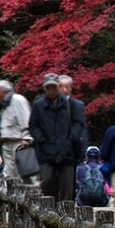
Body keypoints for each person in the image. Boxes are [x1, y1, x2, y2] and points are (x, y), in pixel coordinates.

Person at [29, 73, 86, 203]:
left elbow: (79, 124)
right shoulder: (39, 105)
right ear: (44, 88)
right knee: (47, 181)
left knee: (67, 187)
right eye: (48, 88)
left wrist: (70, 140)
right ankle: (48, 210)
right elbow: (33, 125)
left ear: (58, 87)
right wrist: (42, 139)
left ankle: (66, 214)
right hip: (46, 150)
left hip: (67, 150)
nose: (51, 91)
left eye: (53, 87)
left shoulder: (72, 105)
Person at [0, 80, 31, 182]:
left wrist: (27, 137)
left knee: (22, 172)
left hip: (18, 141)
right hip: (7, 141)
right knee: (8, 173)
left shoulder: (18, 100)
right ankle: (9, 195)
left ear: (2, 90)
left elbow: (26, 119)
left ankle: (27, 195)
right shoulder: (6, 103)